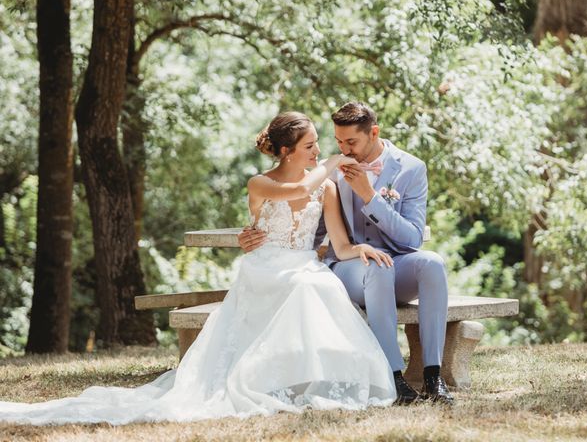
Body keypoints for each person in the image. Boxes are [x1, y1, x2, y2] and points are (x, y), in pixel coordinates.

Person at [0, 111, 396, 426]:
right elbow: (296, 191)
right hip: (265, 268)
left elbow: (340, 244)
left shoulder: (324, 187)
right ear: (287, 151)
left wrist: (359, 248)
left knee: (318, 286)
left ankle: (313, 379)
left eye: (317, 146)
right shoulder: (261, 183)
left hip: (301, 265)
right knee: (305, 288)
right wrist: (328, 164)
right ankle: (266, 379)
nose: (317, 151)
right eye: (310, 146)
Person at [240, 102, 453, 405]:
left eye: (351, 142)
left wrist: (370, 196)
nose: (344, 149)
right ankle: (393, 376)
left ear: (374, 132)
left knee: (433, 264)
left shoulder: (411, 168)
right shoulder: (329, 171)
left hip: (397, 261)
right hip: (351, 267)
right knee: (377, 268)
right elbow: (300, 221)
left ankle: (434, 376)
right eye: (338, 141)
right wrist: (255, 236)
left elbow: (412, 240)